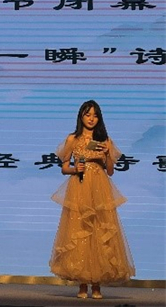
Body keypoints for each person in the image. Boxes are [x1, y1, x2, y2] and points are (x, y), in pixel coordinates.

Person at [49, 100, 135, 299]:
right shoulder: (73, 139)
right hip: (79, 187)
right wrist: (74, 169)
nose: (91, 119)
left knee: (99, 231)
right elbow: (64, 167)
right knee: (79, 230)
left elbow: (110, 171)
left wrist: (107, 155)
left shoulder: (105, 140)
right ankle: (82, 284)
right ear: (81, 116)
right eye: (88, 115)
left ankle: (97, 285)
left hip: (99, 188)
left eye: (95, 115)